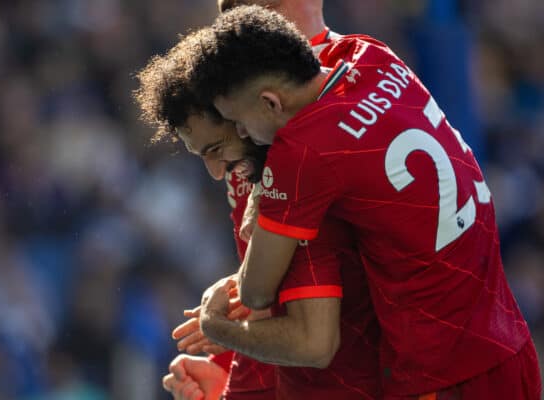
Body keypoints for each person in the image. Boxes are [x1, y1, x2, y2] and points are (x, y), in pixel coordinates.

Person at [169, 6, 541, 400]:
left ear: (270, 103)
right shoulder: (372, 56)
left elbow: (262, 297)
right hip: (509, 347)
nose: (242, 135)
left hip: (442, 374)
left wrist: (218, 322)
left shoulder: (300, 151)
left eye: (237, 125)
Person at [136, 24, 382, 400]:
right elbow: (276, 311)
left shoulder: (293, 181)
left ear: (239, 112)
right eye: (201, 154)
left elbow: (313, 342)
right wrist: (229, 375)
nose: (217, 172)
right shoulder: (253, 173)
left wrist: (218, 326)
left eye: (216, 148)